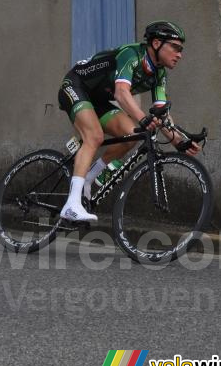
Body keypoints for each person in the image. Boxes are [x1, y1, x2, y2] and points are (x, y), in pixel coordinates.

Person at [57, 21, 201, 222]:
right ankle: (71, 205)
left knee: (131, 135)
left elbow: (161, 113)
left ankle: (90, 177)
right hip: (75, 85)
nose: (180, 54)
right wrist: (143, 118)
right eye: (175, 48)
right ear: (157, 43)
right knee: (95, 136)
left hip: (98, 99)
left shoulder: (159, 73)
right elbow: (121, 93)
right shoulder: (131, 54)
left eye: (181, 50)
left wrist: (179, 141)